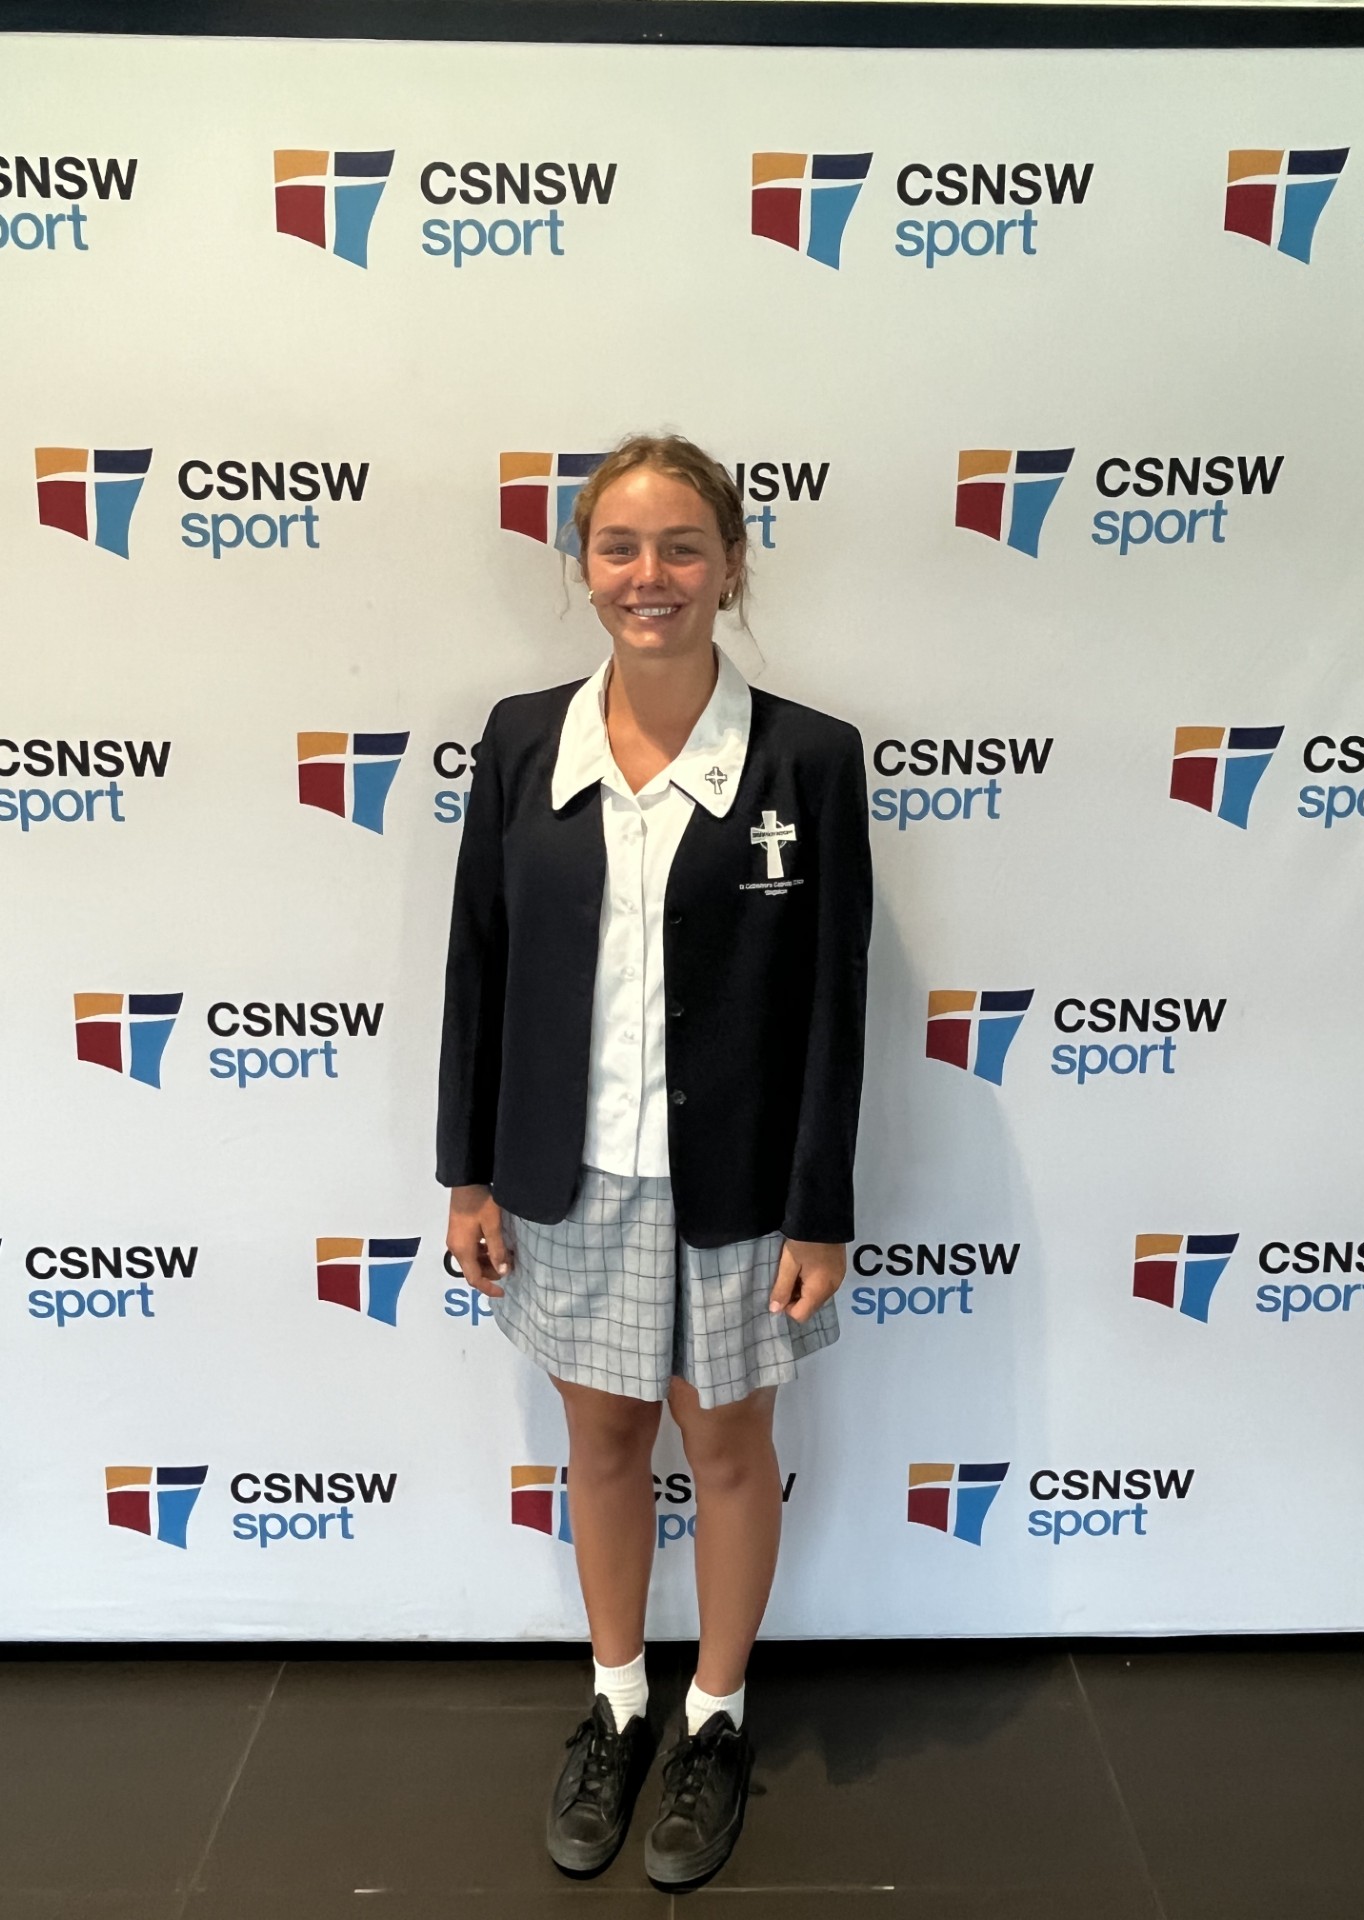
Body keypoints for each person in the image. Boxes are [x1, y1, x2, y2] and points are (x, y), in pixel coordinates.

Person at [438, 433, 871, 1887]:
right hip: (569, 1179)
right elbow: (481, 968)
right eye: (619, 546)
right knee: (606, 1446)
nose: (651, 575)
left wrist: (819, 1209)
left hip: (738, 1190)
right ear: (583, 567)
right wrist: (468, 1175)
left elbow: (833, 1004)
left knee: (730, 1453)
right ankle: (619, 1704)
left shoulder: (810, 758)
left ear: (730, 566)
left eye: (683, 546)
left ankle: (715, 1720)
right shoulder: (521, 742)